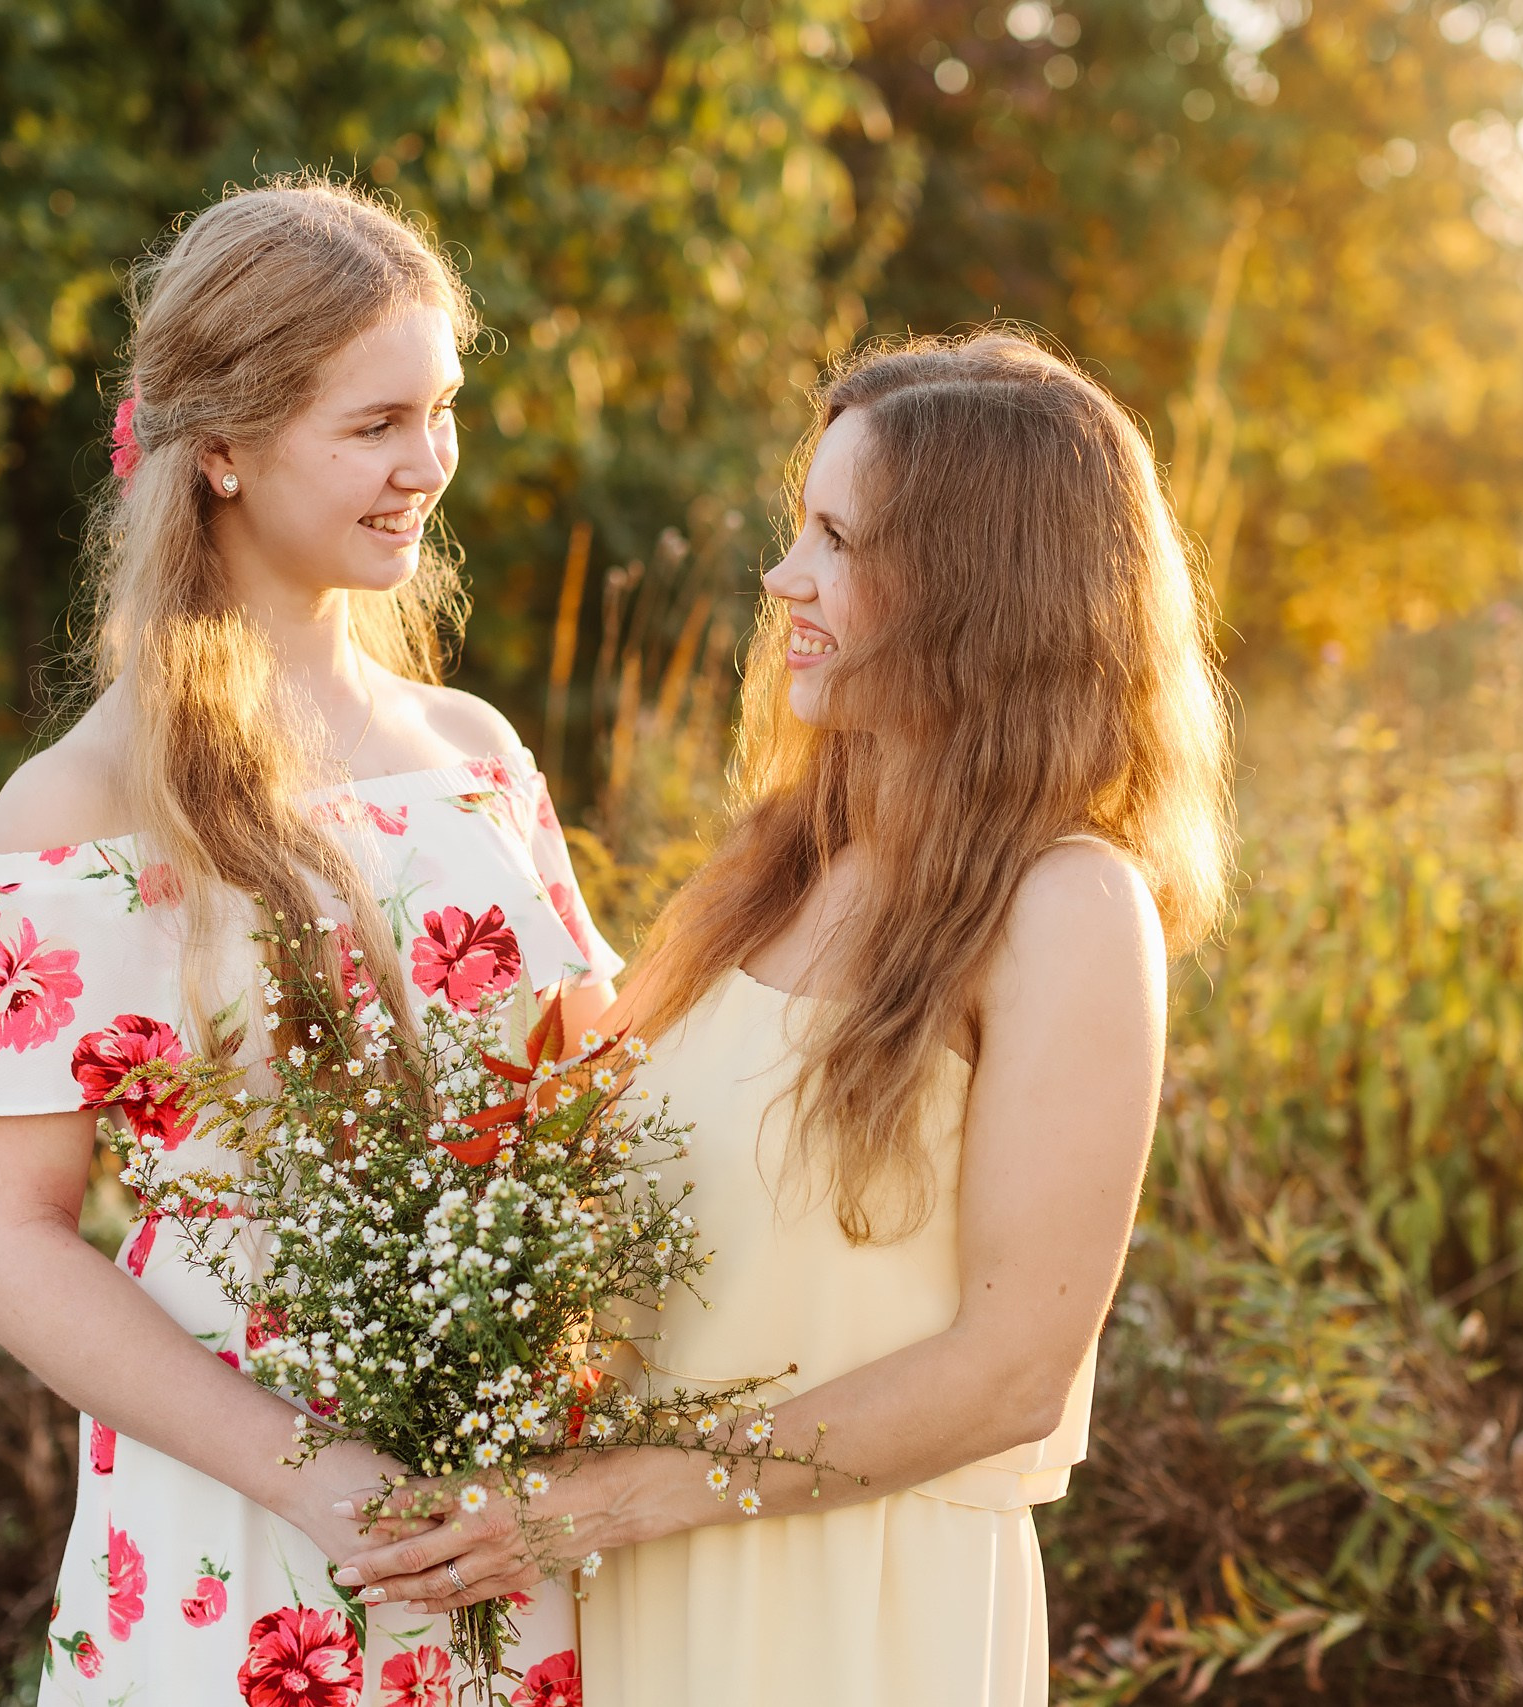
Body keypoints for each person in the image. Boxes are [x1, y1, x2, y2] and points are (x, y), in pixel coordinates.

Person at [334, 331, 1234, 1705]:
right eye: (797, 528)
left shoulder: (1067, 906)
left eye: (836, 538)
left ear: (978, 589)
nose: (783, 579)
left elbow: (1011, 1373)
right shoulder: (784, 868)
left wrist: (620, 1500)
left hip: (851, 1620)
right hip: (636, 1597)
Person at [0, 178, 619, 1707]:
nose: (429, 464)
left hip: (515, 1522)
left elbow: (595, 1099)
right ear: (220, 449)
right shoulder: (74, 810)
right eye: (374, 426)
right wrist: (313, 1474)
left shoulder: (477, 755)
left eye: (440, 411)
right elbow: (10, 1237)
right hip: (242, 1534)